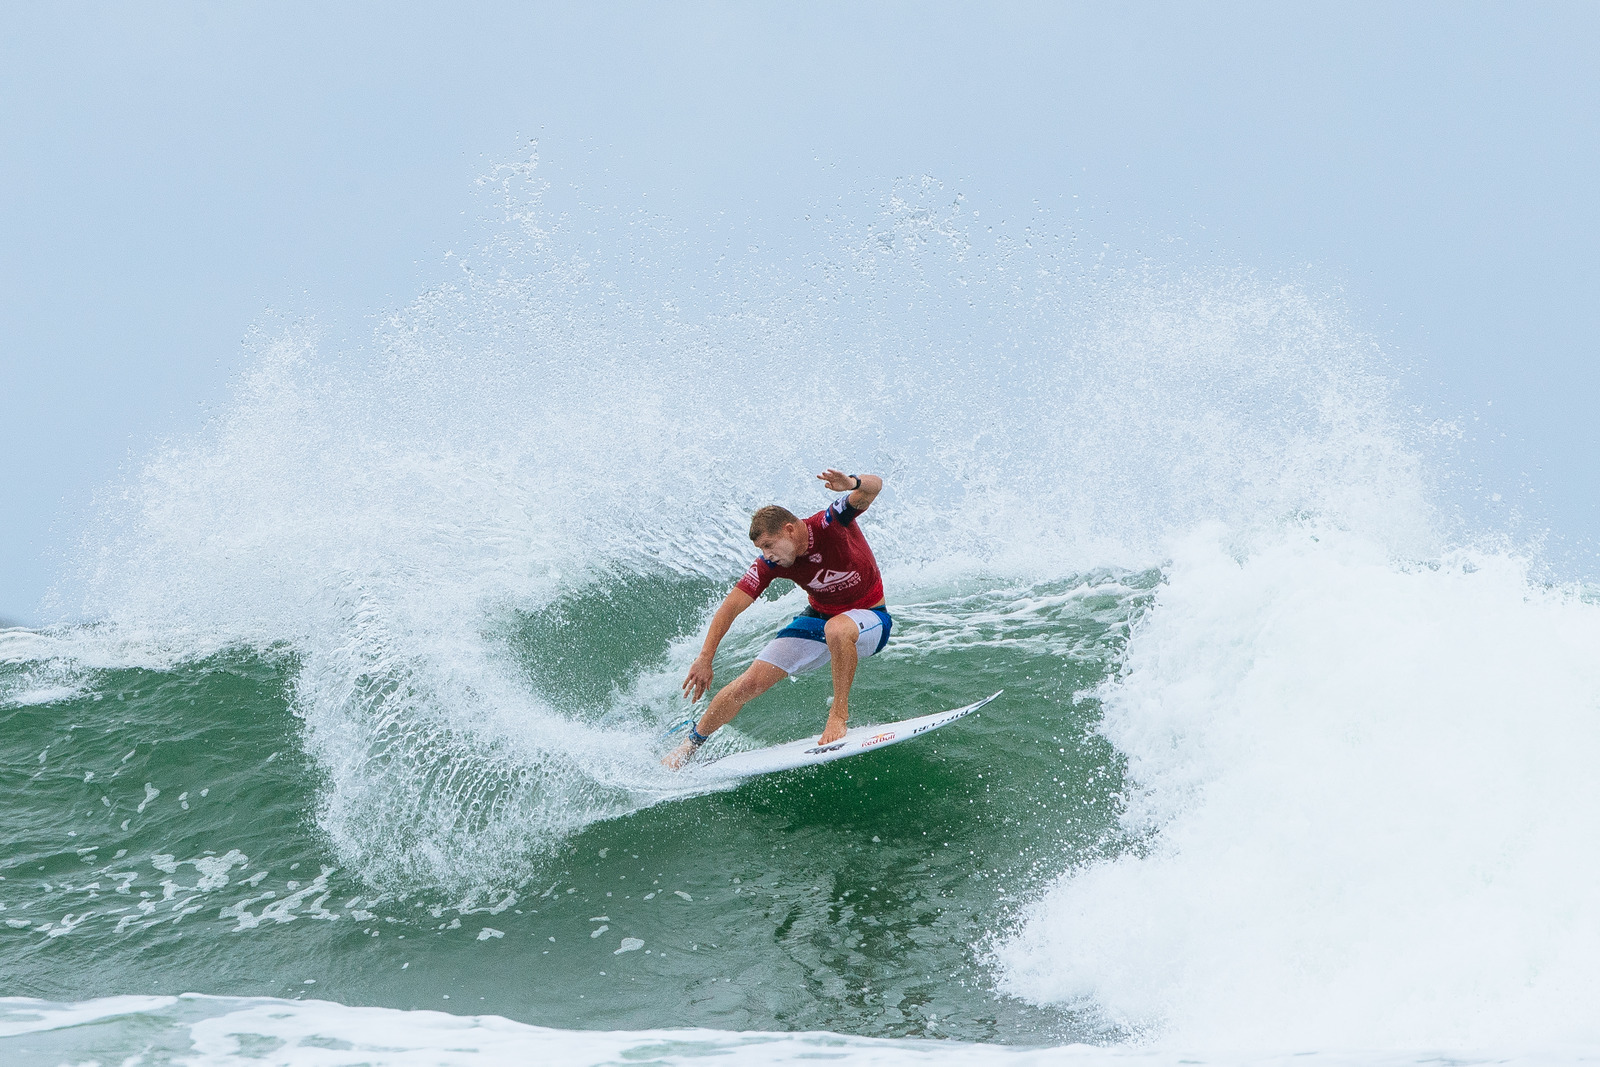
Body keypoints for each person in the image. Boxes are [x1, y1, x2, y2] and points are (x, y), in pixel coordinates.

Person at [662, 468, 889, 769]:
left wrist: (852, 484)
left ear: (789, 530)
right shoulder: (771, 564)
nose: (767, 555)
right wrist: (705, 658)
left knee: (837, 628)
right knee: (748, 684)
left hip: (871, 617)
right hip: (818, 618)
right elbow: (730, 607)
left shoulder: (829, 523)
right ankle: (692, 744)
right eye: (761, 550)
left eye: (769, 545)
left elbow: (874, 488)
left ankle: (838, 715)